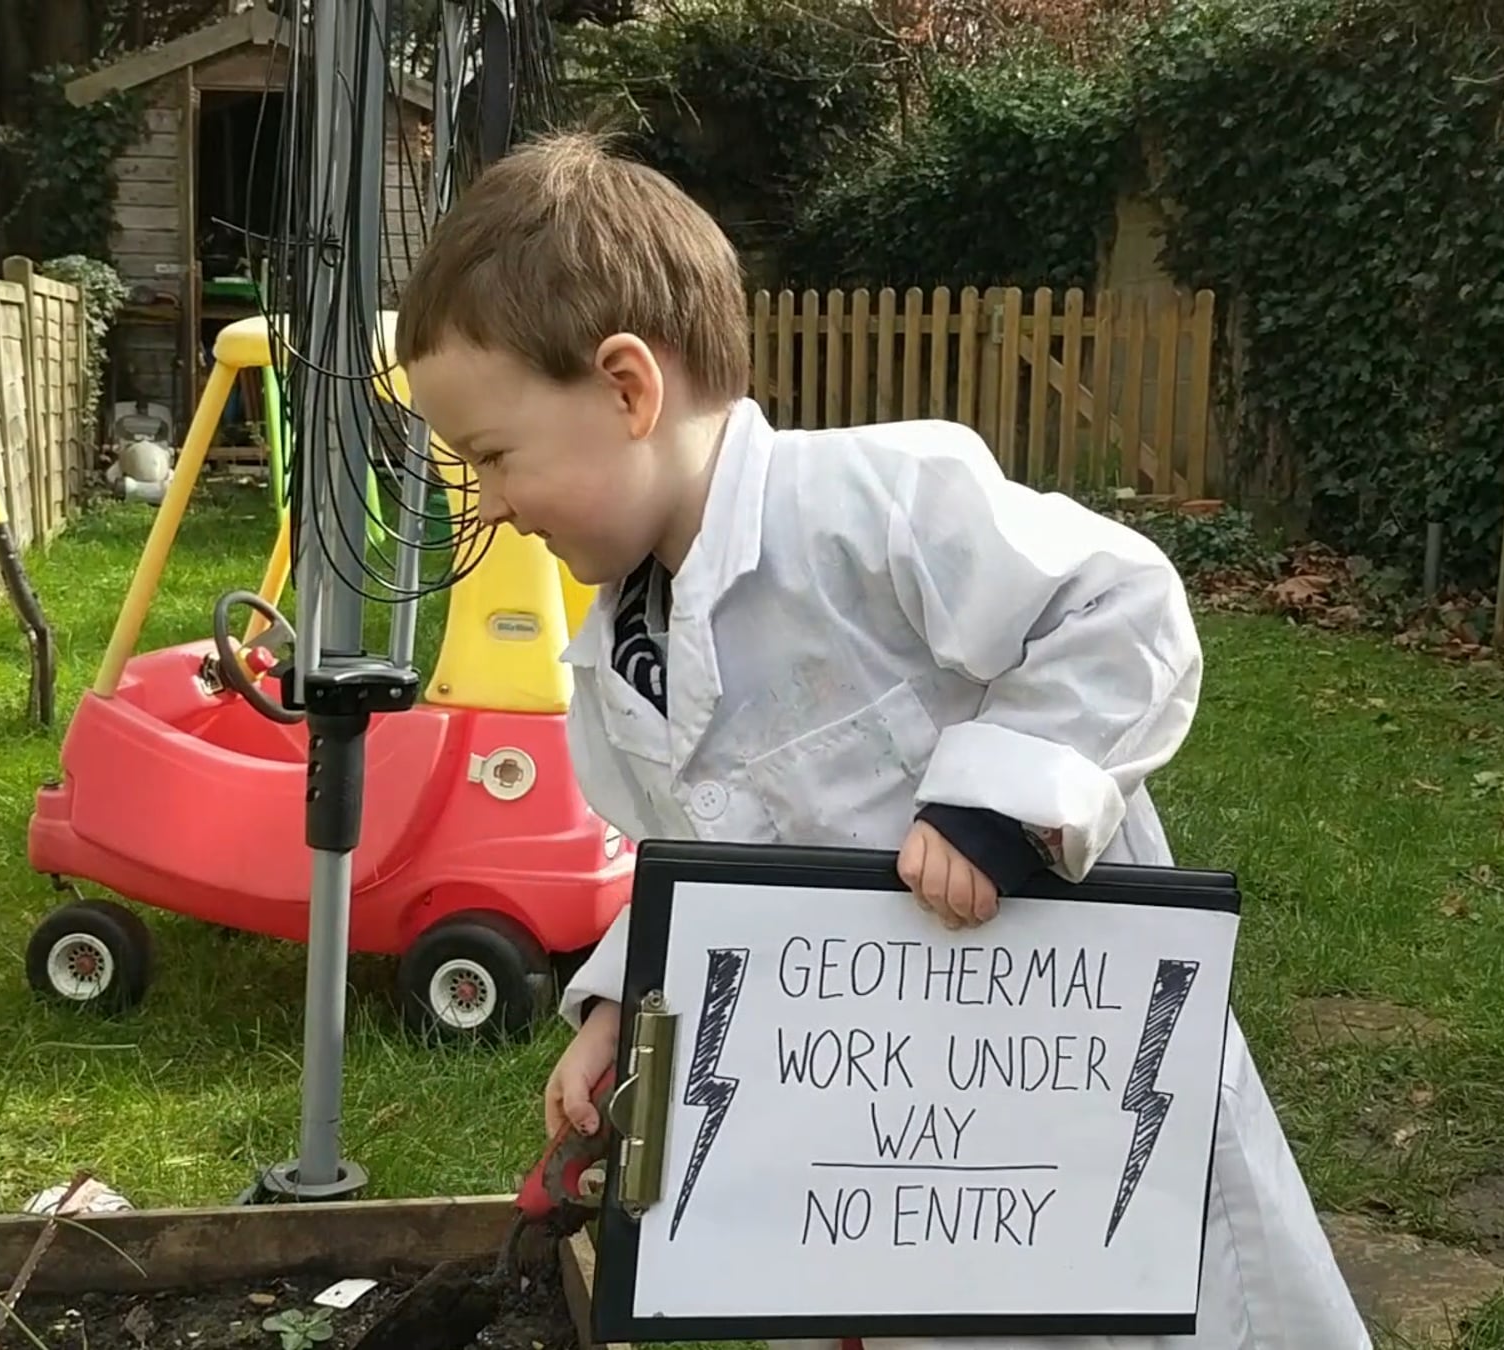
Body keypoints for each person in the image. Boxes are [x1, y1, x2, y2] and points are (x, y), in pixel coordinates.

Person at [395, 129, 1370, 1350]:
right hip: (883, 1140)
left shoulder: (874, 509)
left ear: (629, 388)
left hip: (1071, 1081)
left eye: (494, 457)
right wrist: (621, 1009)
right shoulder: (616, 660)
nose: (488, 503)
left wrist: (996, 805)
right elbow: (701, 869)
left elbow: (1121, 607)